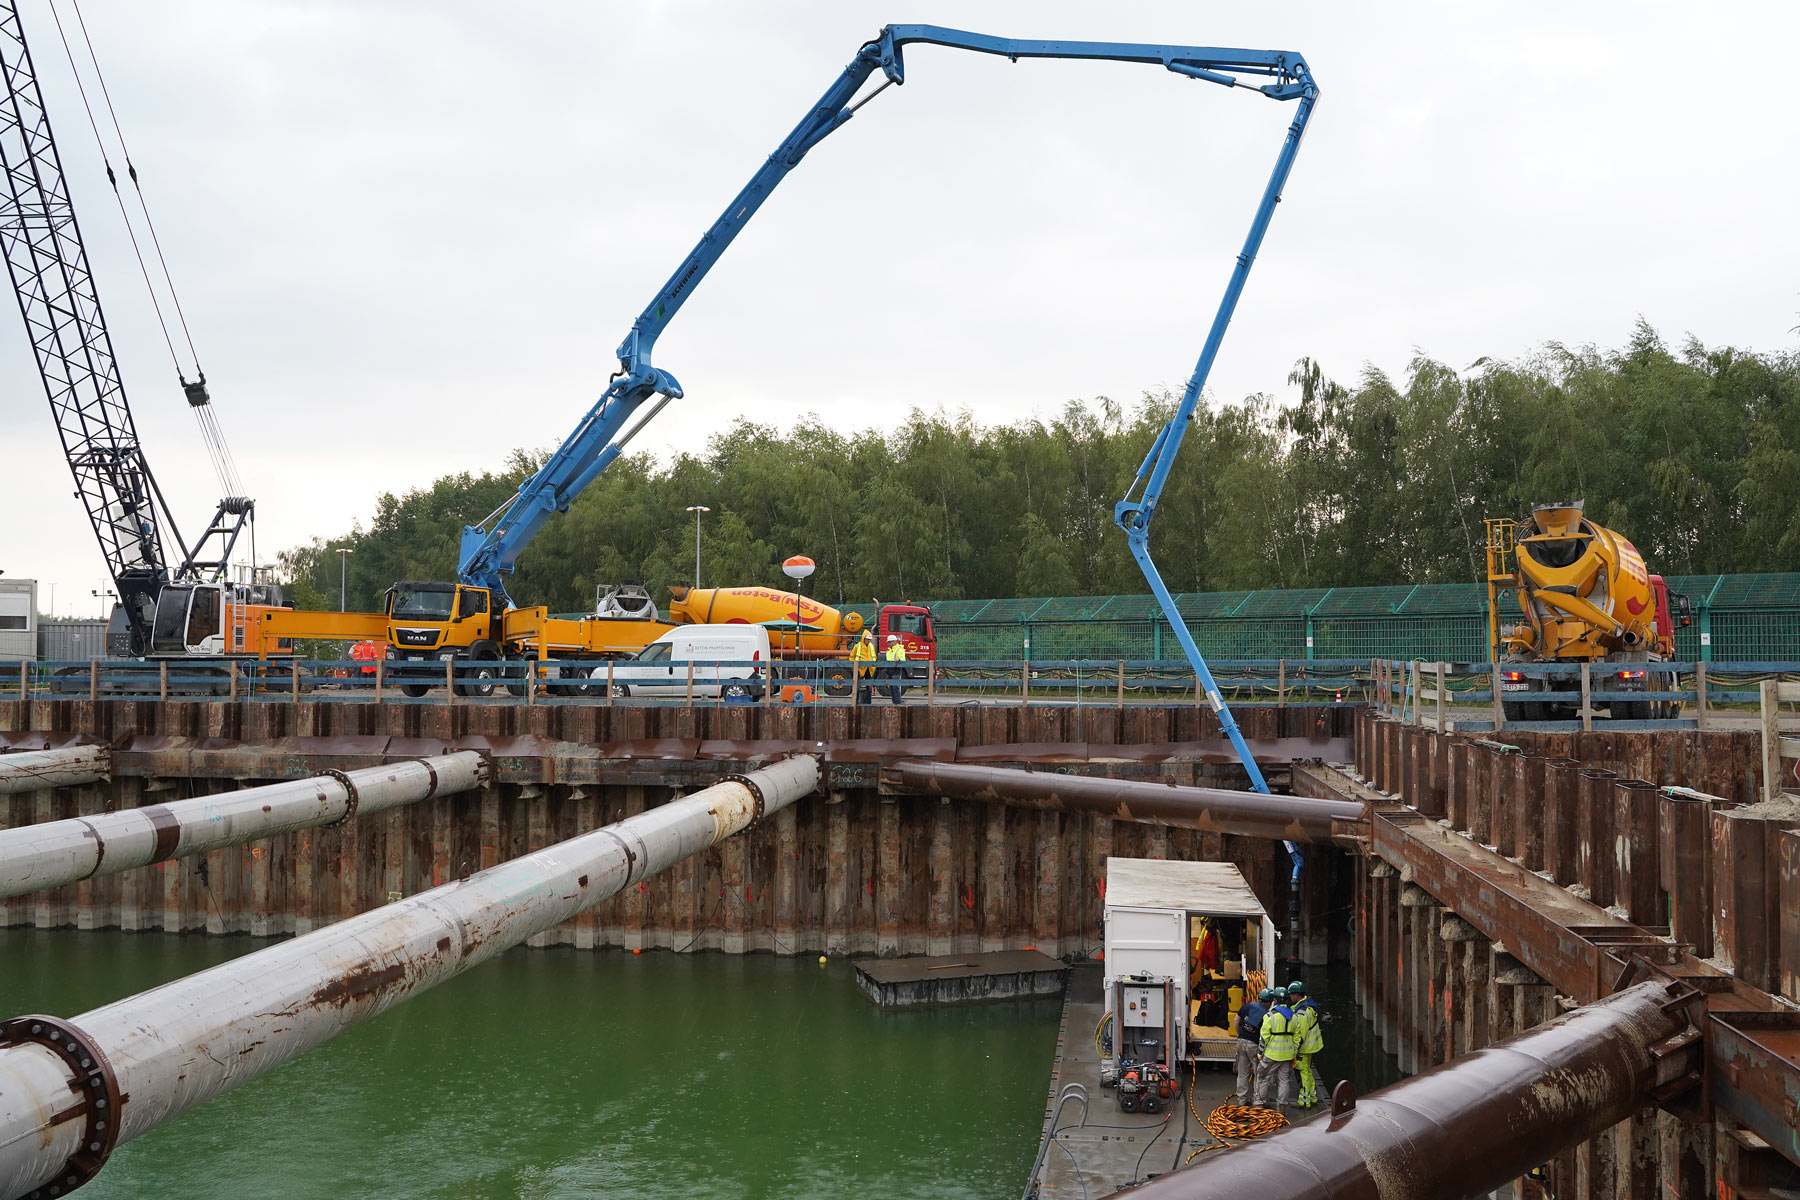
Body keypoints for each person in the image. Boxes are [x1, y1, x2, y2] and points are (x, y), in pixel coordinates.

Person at [1254, 986, 1297, 1111]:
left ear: (1275, 1000)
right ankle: (1281, 1107)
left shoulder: (1270, 1016)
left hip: (1271, 1055)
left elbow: (1264, 1037)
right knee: (1284, 1081)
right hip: (1288, 1055)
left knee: (1263, 1078)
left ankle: (1259, 1104)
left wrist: (1260, 1054)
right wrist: (1293, 1055)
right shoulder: (1294, 1017)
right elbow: (1296, 1037)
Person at [1287, 980, 1324, 1107]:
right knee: (1307, 1071)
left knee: (1302, 1073)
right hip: (1311, 1046)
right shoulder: (1308, 1007)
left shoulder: (1302, 1013)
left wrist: (1294, 1051)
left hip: (1304, 1048)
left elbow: (1300, 1035)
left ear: (1297, 995)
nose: (1290, 997)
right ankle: (1312, 1097)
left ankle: (1304, 1101)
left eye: (1291, 994)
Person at [1234, 988, 1271, 1102]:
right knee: (1259, 1074)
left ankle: (1242, 1100)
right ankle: (1257, 1100)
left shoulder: (1248, 1006)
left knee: (1242, 1073)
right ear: (1269, 1002)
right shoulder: (1267, 1015)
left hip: (1241, 1042)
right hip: (1254, 1046)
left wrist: (1239, 1034)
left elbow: (1236, 1021)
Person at [881, 633, 908, 704]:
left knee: (895, 687)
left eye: (889, 642)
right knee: (891, 688)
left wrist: (899, 660)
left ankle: (897, 703)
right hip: (889, 670)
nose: (888, 644)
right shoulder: (889, 650)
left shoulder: (899, 650)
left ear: (893, 642)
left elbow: (903, 659)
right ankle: (894, 702)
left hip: (896, 670)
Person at [851, 629, 877, 703]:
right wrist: (854, 667)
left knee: (869, 687)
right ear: (864, 639)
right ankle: (856, 702)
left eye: (870, 639)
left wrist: (873, 665)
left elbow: (874, 656)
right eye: (867, 639)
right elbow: (852, 657)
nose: (869, 641)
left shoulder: (871, 647)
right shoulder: (857, 646)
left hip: (870, 669)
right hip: (860, 669)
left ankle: (868, 703)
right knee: (857, 687)